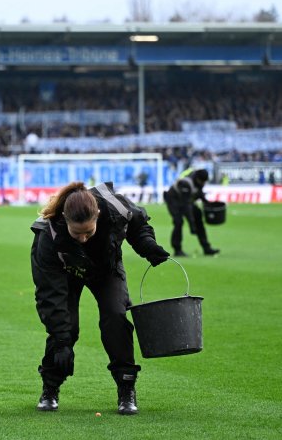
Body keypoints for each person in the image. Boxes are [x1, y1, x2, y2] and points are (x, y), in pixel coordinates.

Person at [30, 182, 170, 415]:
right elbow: (50, 295)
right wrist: (62, 340)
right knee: (66, 331)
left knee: (116, 317)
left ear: (98, 214)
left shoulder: (115, 207)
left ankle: (126, 388)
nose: (83, 238)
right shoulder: (48, 236)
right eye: (77, 233)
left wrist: (147, 244)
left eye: (89, 232)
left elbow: (137, 224)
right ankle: (50, 389)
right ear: (65, 219)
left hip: (106, 269)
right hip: (66, 274)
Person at [163, 168, 220, 257]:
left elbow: (199, 194)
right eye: (202, 181)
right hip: (173, 201)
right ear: (197, 179)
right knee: (178, 222)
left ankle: (206, 248)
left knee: (198, 217)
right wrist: (192, 225)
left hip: (186, 201)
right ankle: (177, 250)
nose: (203, 183)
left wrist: (209, 204)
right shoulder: (186, 183)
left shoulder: (199, 182)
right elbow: (186, 206)